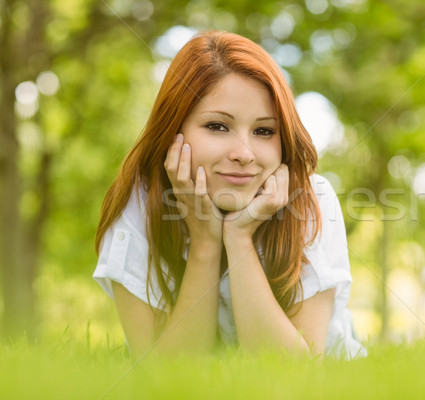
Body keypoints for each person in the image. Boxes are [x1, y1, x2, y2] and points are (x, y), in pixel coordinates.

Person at [93, 31, 367, 360]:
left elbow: (294, 372)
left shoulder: (312, 201)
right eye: (217, 126)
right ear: (173, 131)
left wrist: (238, 236)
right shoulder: (138, 203)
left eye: (264, 131)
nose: (244, 153)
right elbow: (168, 375)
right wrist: (205, 242)